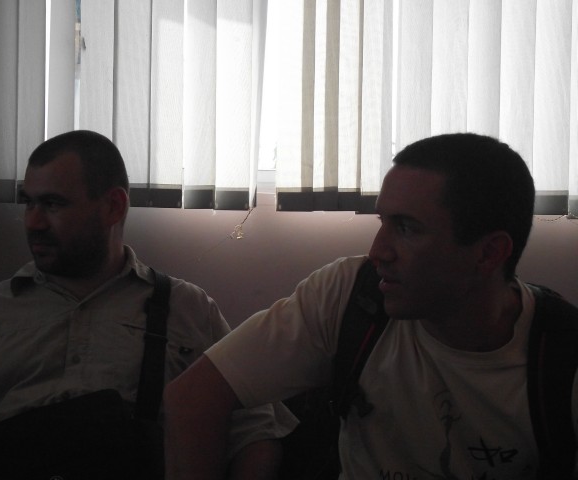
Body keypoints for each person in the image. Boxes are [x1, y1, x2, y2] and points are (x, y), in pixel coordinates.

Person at [163, 132, 578, 479]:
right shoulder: (353, 294)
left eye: (407, 228)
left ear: (489, 253)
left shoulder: (561, 356)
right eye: (383, 222)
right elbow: (193, 397)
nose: (378, 251)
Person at [0, 130, 297, 479]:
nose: (32, 222)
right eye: (28, 202)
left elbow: (256, 431)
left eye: (53, 204)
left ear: (114, 206)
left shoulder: (188, 308)